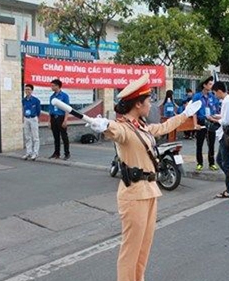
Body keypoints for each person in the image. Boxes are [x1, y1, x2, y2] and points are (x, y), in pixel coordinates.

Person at [89, 74, 202, 281]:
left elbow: (162, 128)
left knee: (143, 248)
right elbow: (117, 132)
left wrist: (184, 114)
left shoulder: (140, 126)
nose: (151, 104)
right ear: (138, 104)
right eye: (149, 101)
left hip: (149, 191)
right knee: (130, 250)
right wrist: (105, 125)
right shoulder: (124, 128)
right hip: (133, 195)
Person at [212, 82, 229, 198]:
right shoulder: (226, 102)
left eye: (214, 93)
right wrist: (218, 116)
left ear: (219, 91)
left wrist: (215, 120)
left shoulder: (227, 102)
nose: (215, 95)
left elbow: (226, 121)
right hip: (224, 134)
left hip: (226, 135)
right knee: (220, 160)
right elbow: (225, 117)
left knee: (225, 162)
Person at [192, 76, 220, 171]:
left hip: (211, 122)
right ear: (204, 85)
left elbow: (216, 110)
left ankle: (211, 163)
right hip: (201, 122)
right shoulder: (197, 96)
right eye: (210, 84)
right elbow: (194, 112)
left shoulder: (213, 96)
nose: (211, 86)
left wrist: (215, 117)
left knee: (211, 144)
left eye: (212, 84)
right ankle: (199, 163)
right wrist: (195, 124)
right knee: (199, 144)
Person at [48, 79, 71, 160]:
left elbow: (67, 109)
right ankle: (56, 153)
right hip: (54, 118)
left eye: (53, 85)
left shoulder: (64, 96)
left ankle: (67, 153)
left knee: (64, 136)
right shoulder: (52, 97)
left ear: (58, 86)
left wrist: (65, 120)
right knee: (56, 136)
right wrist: (49, 121)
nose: (52, 87)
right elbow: (50, 109)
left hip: (61, 118)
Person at [22, 84, 41, 160]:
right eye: (26, 89)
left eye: (29, 89)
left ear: (32, 91)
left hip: (33, 118)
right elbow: (23, 108)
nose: (27, 91)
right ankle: (28, 152)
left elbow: (38, 111)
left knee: (35, 137)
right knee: (27, 136)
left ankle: (35, 153)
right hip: (26, 118)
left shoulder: (36, 100)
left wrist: (37, 118)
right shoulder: (24, 100)